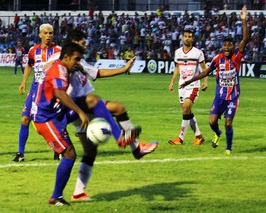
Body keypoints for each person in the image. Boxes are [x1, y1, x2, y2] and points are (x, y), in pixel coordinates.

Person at [48, 29, 158, 201]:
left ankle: (78, 192)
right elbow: (48, 70)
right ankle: (132, 145)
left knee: (90, 151)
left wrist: (124, 69)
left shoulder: (80, 61)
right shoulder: (61, 59)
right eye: (83, 43)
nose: (85, 46)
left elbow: (98, 73)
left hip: (85, 109)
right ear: (73, 44)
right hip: (77, 105)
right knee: (112, 106)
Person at [180, 6, 248, 155]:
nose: (227, 47)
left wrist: (244, 21)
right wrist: (188, 81)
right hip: (219, 97)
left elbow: (245, 39)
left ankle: (228, 149)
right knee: (212, 122)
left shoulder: (236, 58)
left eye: (229, 45)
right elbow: (206, 72)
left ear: (233, 47)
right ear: (222, 47)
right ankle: (218, 133)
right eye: (224, 45)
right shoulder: (218, 59)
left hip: (232, 97)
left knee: (228, 122)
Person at [31, 42, 88, 206]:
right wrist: (80, 113)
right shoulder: (58, 70)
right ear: (66, 57)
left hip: (55, 114)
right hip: (45, 118)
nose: (78, 62)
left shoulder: (62, 68)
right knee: (69, 153)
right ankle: (56, 197)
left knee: (89, 102)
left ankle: (91, 129)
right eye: (76, 59)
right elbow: (59, 93)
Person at [12, 24, 62, 162]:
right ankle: (20, 154)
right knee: (24, 119)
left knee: (53, 121)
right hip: (35, 89)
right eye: (46, 33)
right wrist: (24, 82)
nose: (48, 36)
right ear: (40, 35)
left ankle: (58, 150)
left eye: (51, 33)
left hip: (50, 91)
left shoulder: (58, 51)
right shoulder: (33, 50)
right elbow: (29, 64)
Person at [168, 28, 208, 145]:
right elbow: (177, 68)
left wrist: (205, 81)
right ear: (182, 38)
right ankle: (199, 136)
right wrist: (172, 82)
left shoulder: (198, 52)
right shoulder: (177, 52)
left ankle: (180, 138)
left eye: (189, 36)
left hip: (193, 85)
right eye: (185, 36)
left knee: (186, 108)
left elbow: (204, 69)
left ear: (192, 38)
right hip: (182, 86)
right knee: (187, 111)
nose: (187, 38)